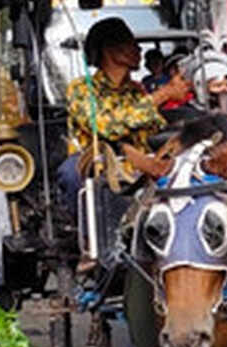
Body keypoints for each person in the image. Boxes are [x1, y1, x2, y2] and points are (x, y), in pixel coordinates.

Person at [59, 17, 190, 206]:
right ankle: (85, 234)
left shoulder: (136, 91)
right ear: (109, 50)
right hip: (99, 171)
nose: (138, 49)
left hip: (142, 173)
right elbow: (105, 127)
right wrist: (163, 94)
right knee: (70, 172)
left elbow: (154, 129)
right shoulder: (81, 88)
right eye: (131, 43)